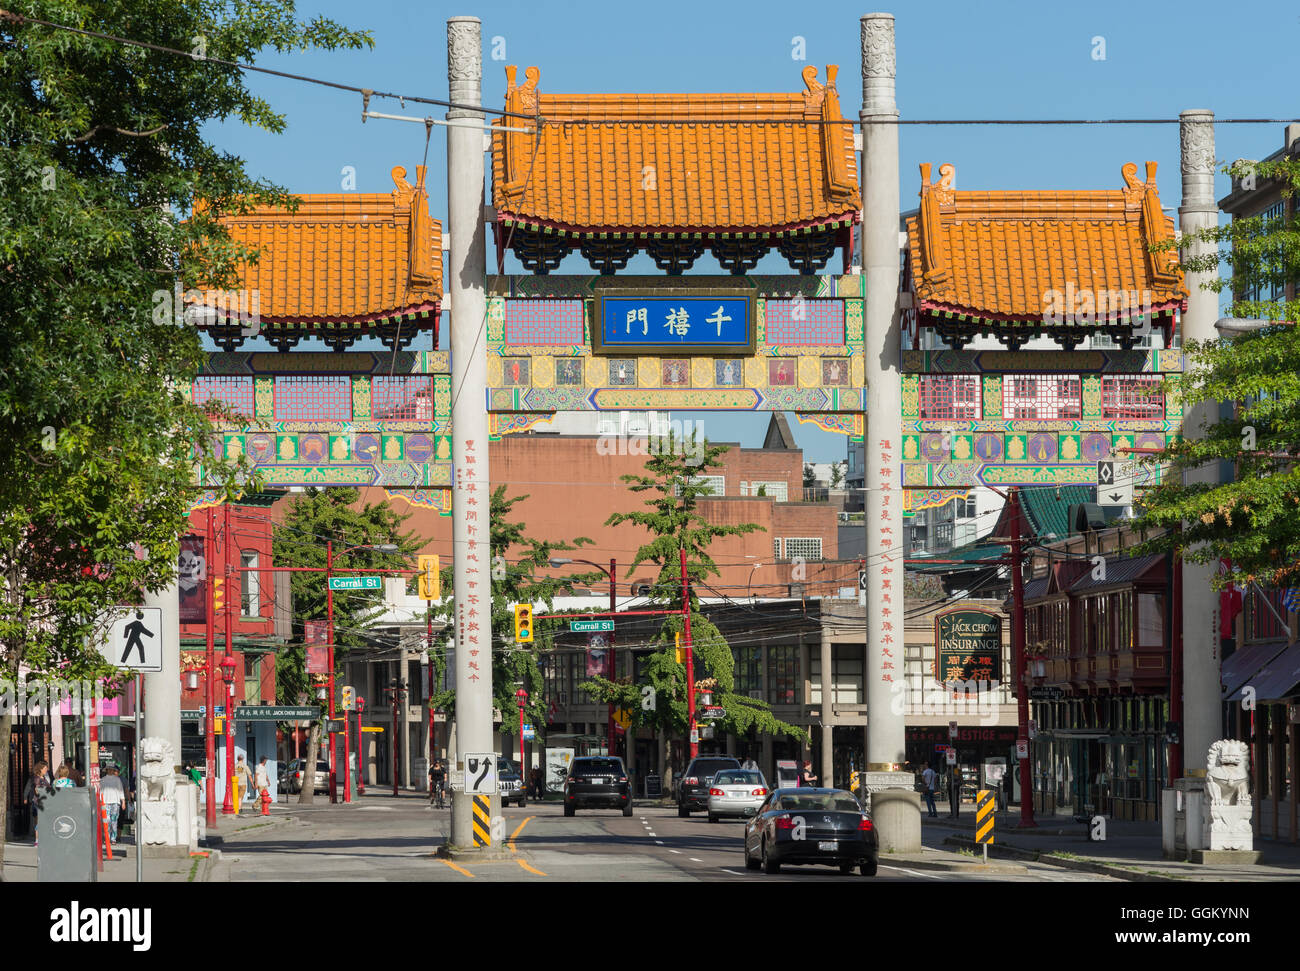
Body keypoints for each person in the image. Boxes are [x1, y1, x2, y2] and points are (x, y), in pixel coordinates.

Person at [23, 761, 52, 843]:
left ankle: (38, 840)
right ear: (41, 769)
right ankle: (38, 839)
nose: (47, 770)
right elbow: (29, 788)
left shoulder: (43, 778)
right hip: (38, 802)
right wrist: (25, 797)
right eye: (45, 768)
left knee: (38, 821)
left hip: (43, 802)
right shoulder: (36, 779)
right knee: (40, 821)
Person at [99, 766, 127, 844]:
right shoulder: (103, 780)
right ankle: (107, 838)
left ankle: (113, 838)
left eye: (112, 770)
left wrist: (123, 801)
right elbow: (100, 791)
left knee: (114, 821)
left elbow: (121, 790)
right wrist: (100, 801)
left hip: (115, 802)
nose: (111, 771)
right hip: (105, 802)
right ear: (107, 770)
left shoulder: (117, 779)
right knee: (107, 821)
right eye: (109, 769)